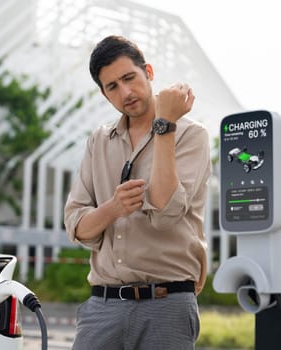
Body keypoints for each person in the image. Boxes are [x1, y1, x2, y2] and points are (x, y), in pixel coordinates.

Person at [64, 35, 211, 350]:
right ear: (104, 94)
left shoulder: (191, 135)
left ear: (149, 72)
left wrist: (165, 125)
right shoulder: (99, 142)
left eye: (129, 78)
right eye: (112, 86)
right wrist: (113, 209)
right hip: (102, 307)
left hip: (166, 305)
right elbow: (76, 225)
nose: (125, 92)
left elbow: (165, 212)